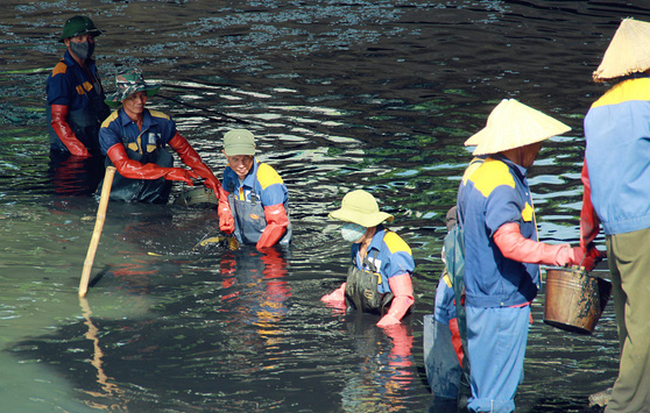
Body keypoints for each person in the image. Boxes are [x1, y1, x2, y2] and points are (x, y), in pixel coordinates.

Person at [457, 98, 601, 413]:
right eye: (536, 143)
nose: (539, 149)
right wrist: (566, 253)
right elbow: (510, 244)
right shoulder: (503, 183)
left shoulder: (475, 172)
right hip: (502, 301)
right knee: (497, 397)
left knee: (483, 389)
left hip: (482, 297)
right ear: (519, 144)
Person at [584, 17, 650, 413]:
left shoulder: (597, 110)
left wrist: (586, 237)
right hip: (646, 226)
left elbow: (589, 180)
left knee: (631, 322)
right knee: (646, 325)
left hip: (614, 230)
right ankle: (625, 405)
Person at [99, 68, 221, 203]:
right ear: (121, 99)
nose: (140, 101)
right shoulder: (109, 127)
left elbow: (185, 151)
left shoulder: (162, 122)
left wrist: (209, 177)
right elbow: (124, 166)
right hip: (118, 199)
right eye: (133, 97)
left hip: (156, 197)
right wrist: (169, 172)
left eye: (143, 95)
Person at [320, 189, 415, 328]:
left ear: (369, 223)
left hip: (392, 318)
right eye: (345, 222)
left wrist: (391, 318)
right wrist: (340, 293)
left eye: (352, 222)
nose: (347, 227)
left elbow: (404, 297)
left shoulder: (394, 250)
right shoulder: (357, 244)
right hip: (364, 313)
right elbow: (360, 277)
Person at [46, 15, 110, 159]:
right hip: (70, 156)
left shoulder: (90, 68)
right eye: (80, 39)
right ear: (67, 41)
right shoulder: (61, 75)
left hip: (95, 144)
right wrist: (80, 153)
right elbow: (57, 120)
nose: (86, 43)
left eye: (90, 39)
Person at [217, 129, 291, 250]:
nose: (241, 165)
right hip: (242, 243)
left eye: (246, 158)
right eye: (235, 159)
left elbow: (278, 224)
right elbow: (224, 200)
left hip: (271, 248)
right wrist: (225, 214)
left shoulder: (267, 180)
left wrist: (257, 252)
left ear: (254, 150)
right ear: (225, 154)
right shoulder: (229, 172)